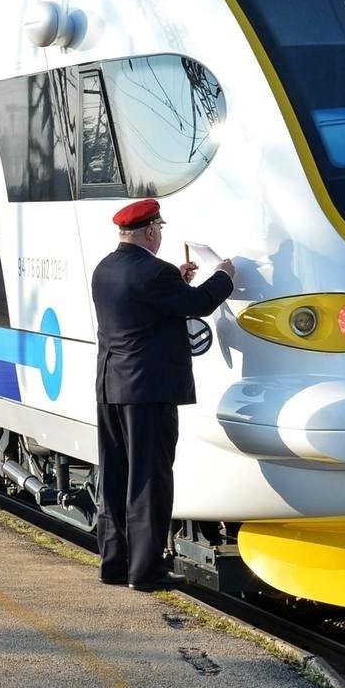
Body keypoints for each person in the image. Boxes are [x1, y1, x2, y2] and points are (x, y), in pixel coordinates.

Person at [90, 198, 234, 592]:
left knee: (116, 475)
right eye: (159, 230)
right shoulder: (156, 272)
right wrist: (223, 275)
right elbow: (201, 305)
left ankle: (114, 563)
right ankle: (146, 571)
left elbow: (147, 305)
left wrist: (178, 281)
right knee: (150, 479)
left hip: (110, 386)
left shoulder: (106, 268)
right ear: (151, 231)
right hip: (148, 391)